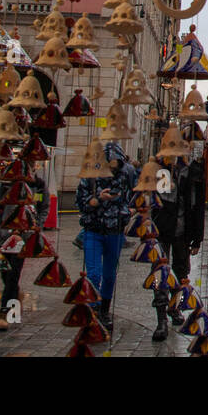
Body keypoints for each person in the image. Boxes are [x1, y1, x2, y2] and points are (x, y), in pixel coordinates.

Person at [76, 141, 136, 332]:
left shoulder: (126, 174)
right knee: (93, 272)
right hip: (93, 230)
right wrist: (98, 199)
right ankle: (92, 310)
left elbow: (133, 199)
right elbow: (81, 202)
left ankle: (104, 310)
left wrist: (127, 212)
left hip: (114, 231)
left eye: (115, 163)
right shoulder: (91, 176)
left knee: (110, 275)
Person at [151, 135, 206, 341]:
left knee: (181, 271)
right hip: (163, 230)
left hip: (184, 231)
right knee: (159, 274)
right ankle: (161, 319)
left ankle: (175, 308)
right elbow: (162, 201)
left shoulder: (194, 172)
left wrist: (197, 238)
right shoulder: (163, 170)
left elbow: (198, 206)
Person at [0, 157, 49, 331]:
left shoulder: (38, 185)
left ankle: (4, 313)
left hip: (24, 238)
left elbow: (44, 206)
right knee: (5, 274)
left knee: (13, 272)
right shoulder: (6, 185)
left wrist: (38, 225)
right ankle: (15, 296)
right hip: (5, 236)